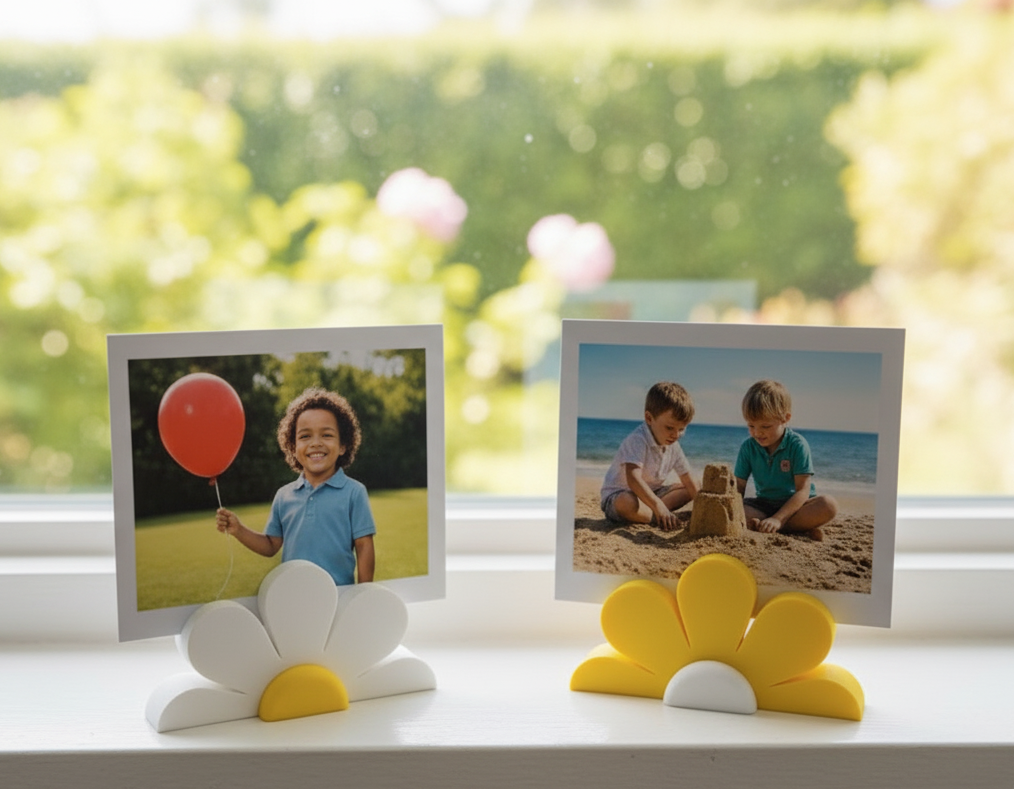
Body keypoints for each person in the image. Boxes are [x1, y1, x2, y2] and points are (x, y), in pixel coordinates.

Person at [216, 387, 376, 585]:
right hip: (293, 595)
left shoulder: (354, 492)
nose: (315, 443)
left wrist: (362, 592)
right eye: (305, 436)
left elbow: (364, 546)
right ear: (293, 447)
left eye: (326, 435)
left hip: (339, 594)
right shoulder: (284, 496)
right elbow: (270, 545)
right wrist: (239, 530)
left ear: (343, 445)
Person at [734, 380, 837, 542]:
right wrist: (735, 510)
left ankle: (774, 526)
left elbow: (802, 490)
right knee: (736, 509)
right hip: (764, 505)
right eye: (751, 426)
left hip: (796, 506)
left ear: (785, 418)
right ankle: (795, 529)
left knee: (828, 505)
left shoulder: (797, 444)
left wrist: (778, 519)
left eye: (765, 426)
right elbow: (738, 486)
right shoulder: (748, 447)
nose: (757, 433)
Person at [599, 381, 699, 531]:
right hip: (620, 496)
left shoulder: (673, 445)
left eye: (681, 429)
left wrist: (702, 509)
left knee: (694, 487)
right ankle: (655, 515)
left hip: (652, 495)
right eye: (670, 427)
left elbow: (687, 477)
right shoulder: (638, 439)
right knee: (627, 502)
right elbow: (633, 479)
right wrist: (658, 506)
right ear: (649, 418)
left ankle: (650, 514)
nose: (676, 435)